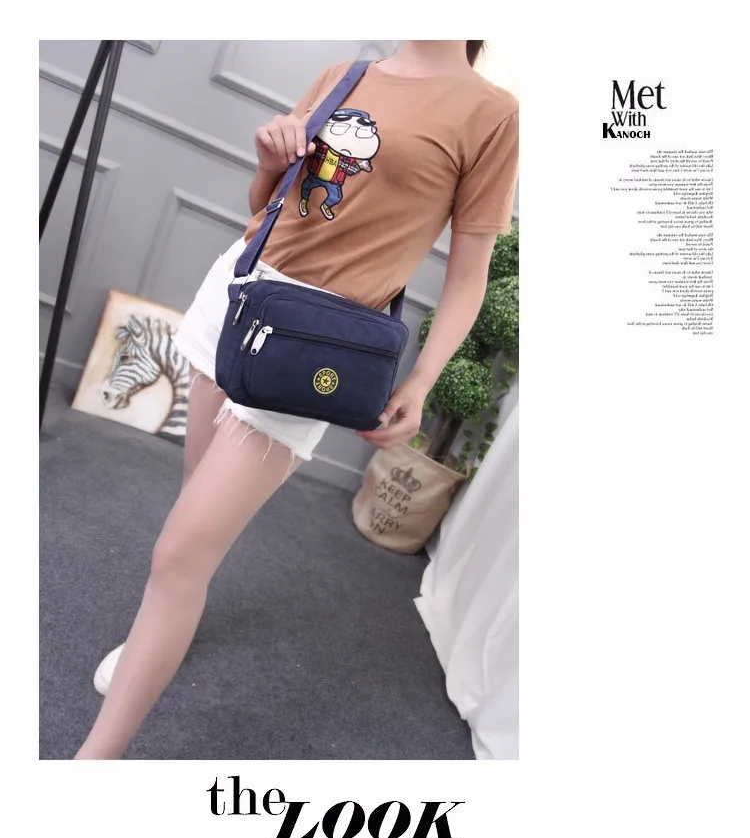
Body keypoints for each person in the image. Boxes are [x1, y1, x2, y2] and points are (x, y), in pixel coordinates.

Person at [74, 39, 519, 758]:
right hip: (239, 296)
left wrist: (421, 380)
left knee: (177, 554)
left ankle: (94, 761)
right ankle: (162, 629)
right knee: (191, 519)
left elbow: (468, 277)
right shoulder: (347, 74)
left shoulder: (491, 112)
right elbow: (271, 207)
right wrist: (266, 162)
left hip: (317, 346)